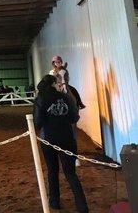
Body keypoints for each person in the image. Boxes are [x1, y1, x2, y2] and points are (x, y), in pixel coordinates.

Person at [34, 75, 89, 213]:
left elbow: (37, 121)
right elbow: (75, 117)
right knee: (71, 173)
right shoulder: (66, 97)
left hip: (48, 139)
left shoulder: (40, 99)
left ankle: (54, 202)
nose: (59, 84)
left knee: (52, 171)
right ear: (53, 84)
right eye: (57, 82)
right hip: (67, 138)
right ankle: (82, 206)